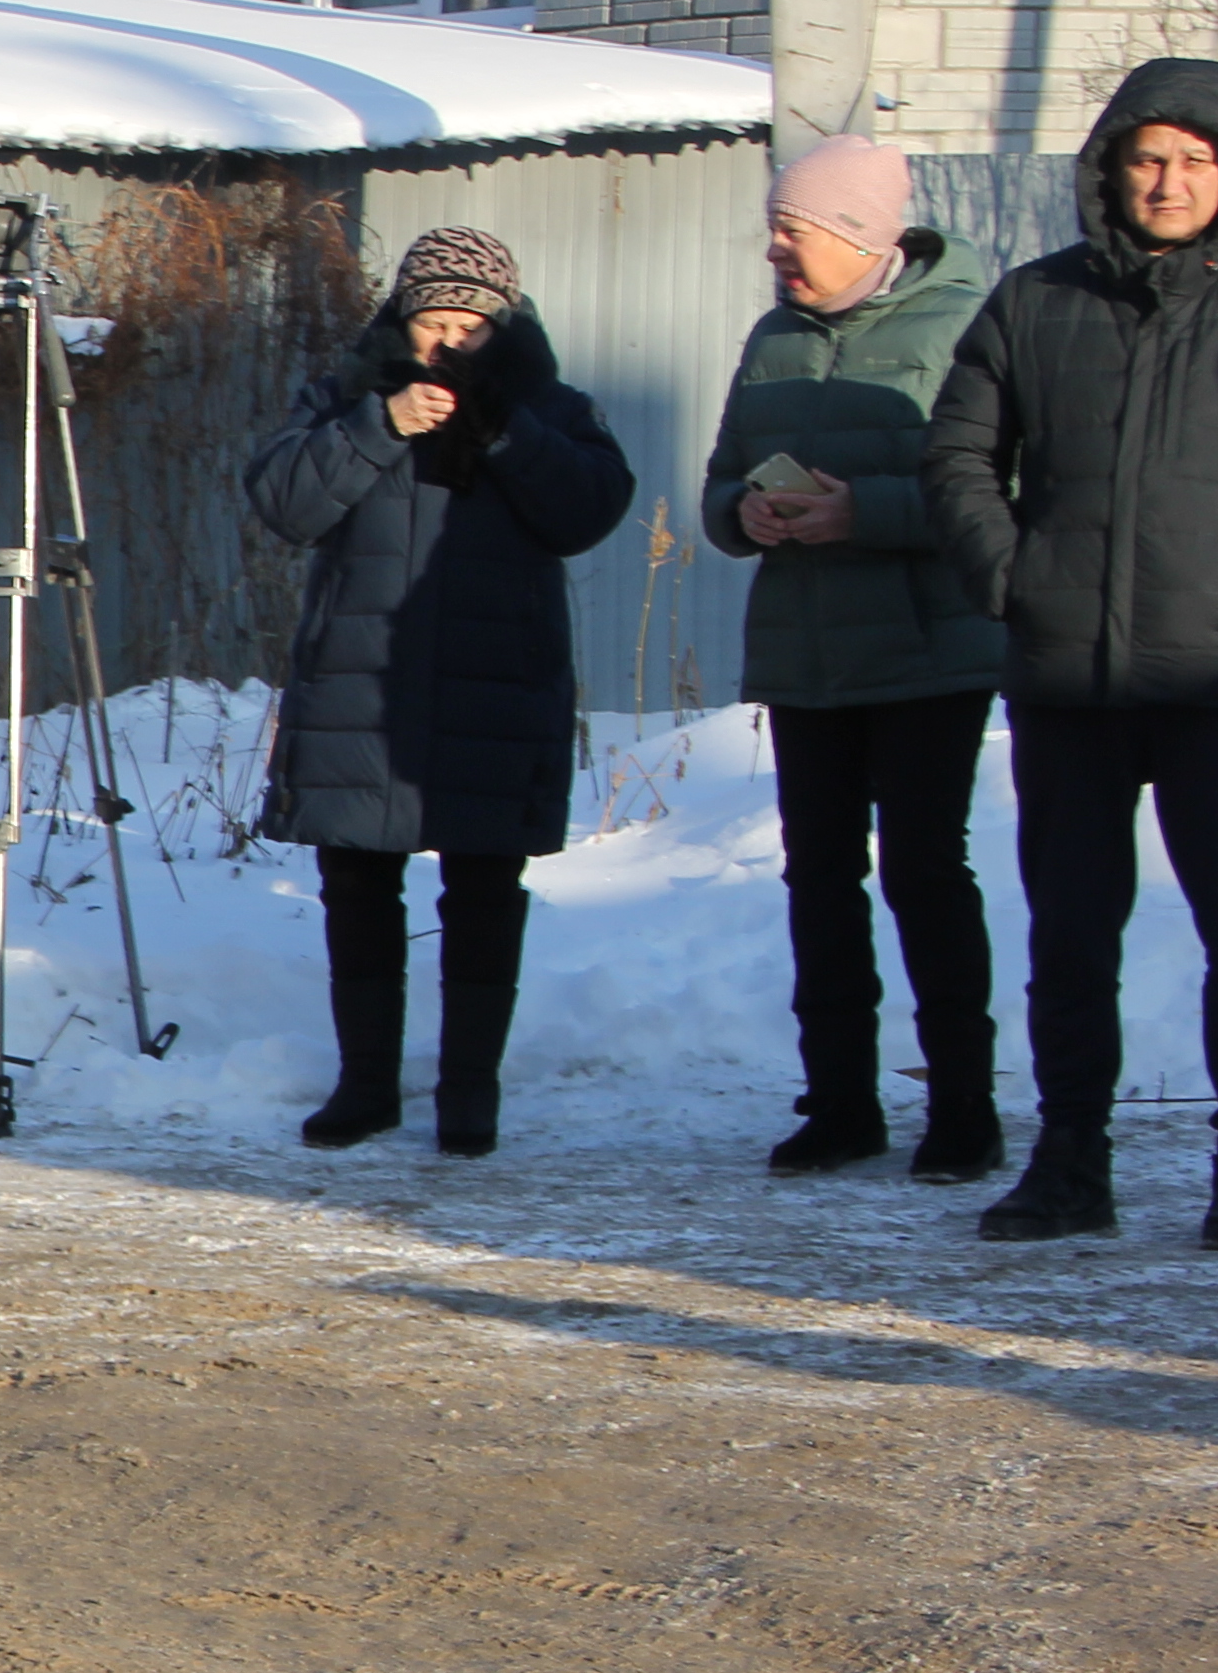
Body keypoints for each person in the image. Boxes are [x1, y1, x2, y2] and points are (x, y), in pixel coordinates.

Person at [927, 58, 1218, 1252]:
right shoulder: (1035, 303)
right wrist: (1015, 578)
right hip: (1067, 681)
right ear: (1110, 166)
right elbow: (959, 453)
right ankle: (1068, 1163)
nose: (1170, 179)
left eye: (1198, 159)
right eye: (1149, 156)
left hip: (1214, 676)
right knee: (1069, 930)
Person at [242, 227, 632, 1157]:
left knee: (486, 885)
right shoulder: (344, 397)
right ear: (403, 322)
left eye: (470, 324)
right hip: (361, 677)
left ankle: (470, 1094)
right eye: (433, 323)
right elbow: (284, 502)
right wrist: (380, 428)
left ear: (502, 326)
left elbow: (589, 508)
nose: (448, 343)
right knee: (357, 881)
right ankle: (366, 1085)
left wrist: (505, 430)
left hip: (498, 680)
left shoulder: (555, 407)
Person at [699, 134, 1003, 1181]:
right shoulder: (772, 338)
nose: (777, 249)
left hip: (931, 653)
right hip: (806, 656)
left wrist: (859, 513)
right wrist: (748, 514)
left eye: (796, 230)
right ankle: (840, 1104)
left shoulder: (966, 326)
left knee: (925, 873)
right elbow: (718, 487)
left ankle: (964, 1108)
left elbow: (1002, 495)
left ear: (859, 235)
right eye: (776, 229)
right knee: (818, 881)